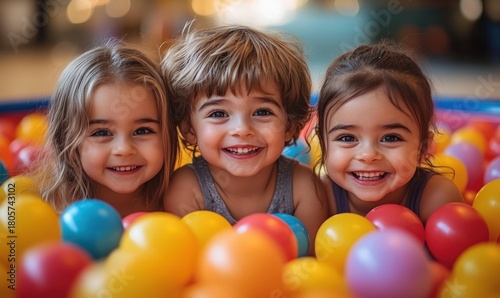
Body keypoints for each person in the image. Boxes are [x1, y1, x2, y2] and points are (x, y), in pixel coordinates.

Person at [161, 25, 328, 254]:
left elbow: (311, 263)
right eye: (218, 114)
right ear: (190, 128)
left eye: (262, 112)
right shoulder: (186, 190)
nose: (242, 129)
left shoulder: (304, 187)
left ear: (289, 126)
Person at [315, 42, 464, 224]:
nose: (368, 155)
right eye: (347, 138)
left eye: (391, 138)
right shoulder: (318, 197)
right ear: (322, 143)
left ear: (424, 147)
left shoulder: (436, 197)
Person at [30, 41, 178, 217]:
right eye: (101, 133)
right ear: (66, 138)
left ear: (169, 132)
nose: (124, 149)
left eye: (143, 131)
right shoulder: (47, 209)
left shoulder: (182, 201)